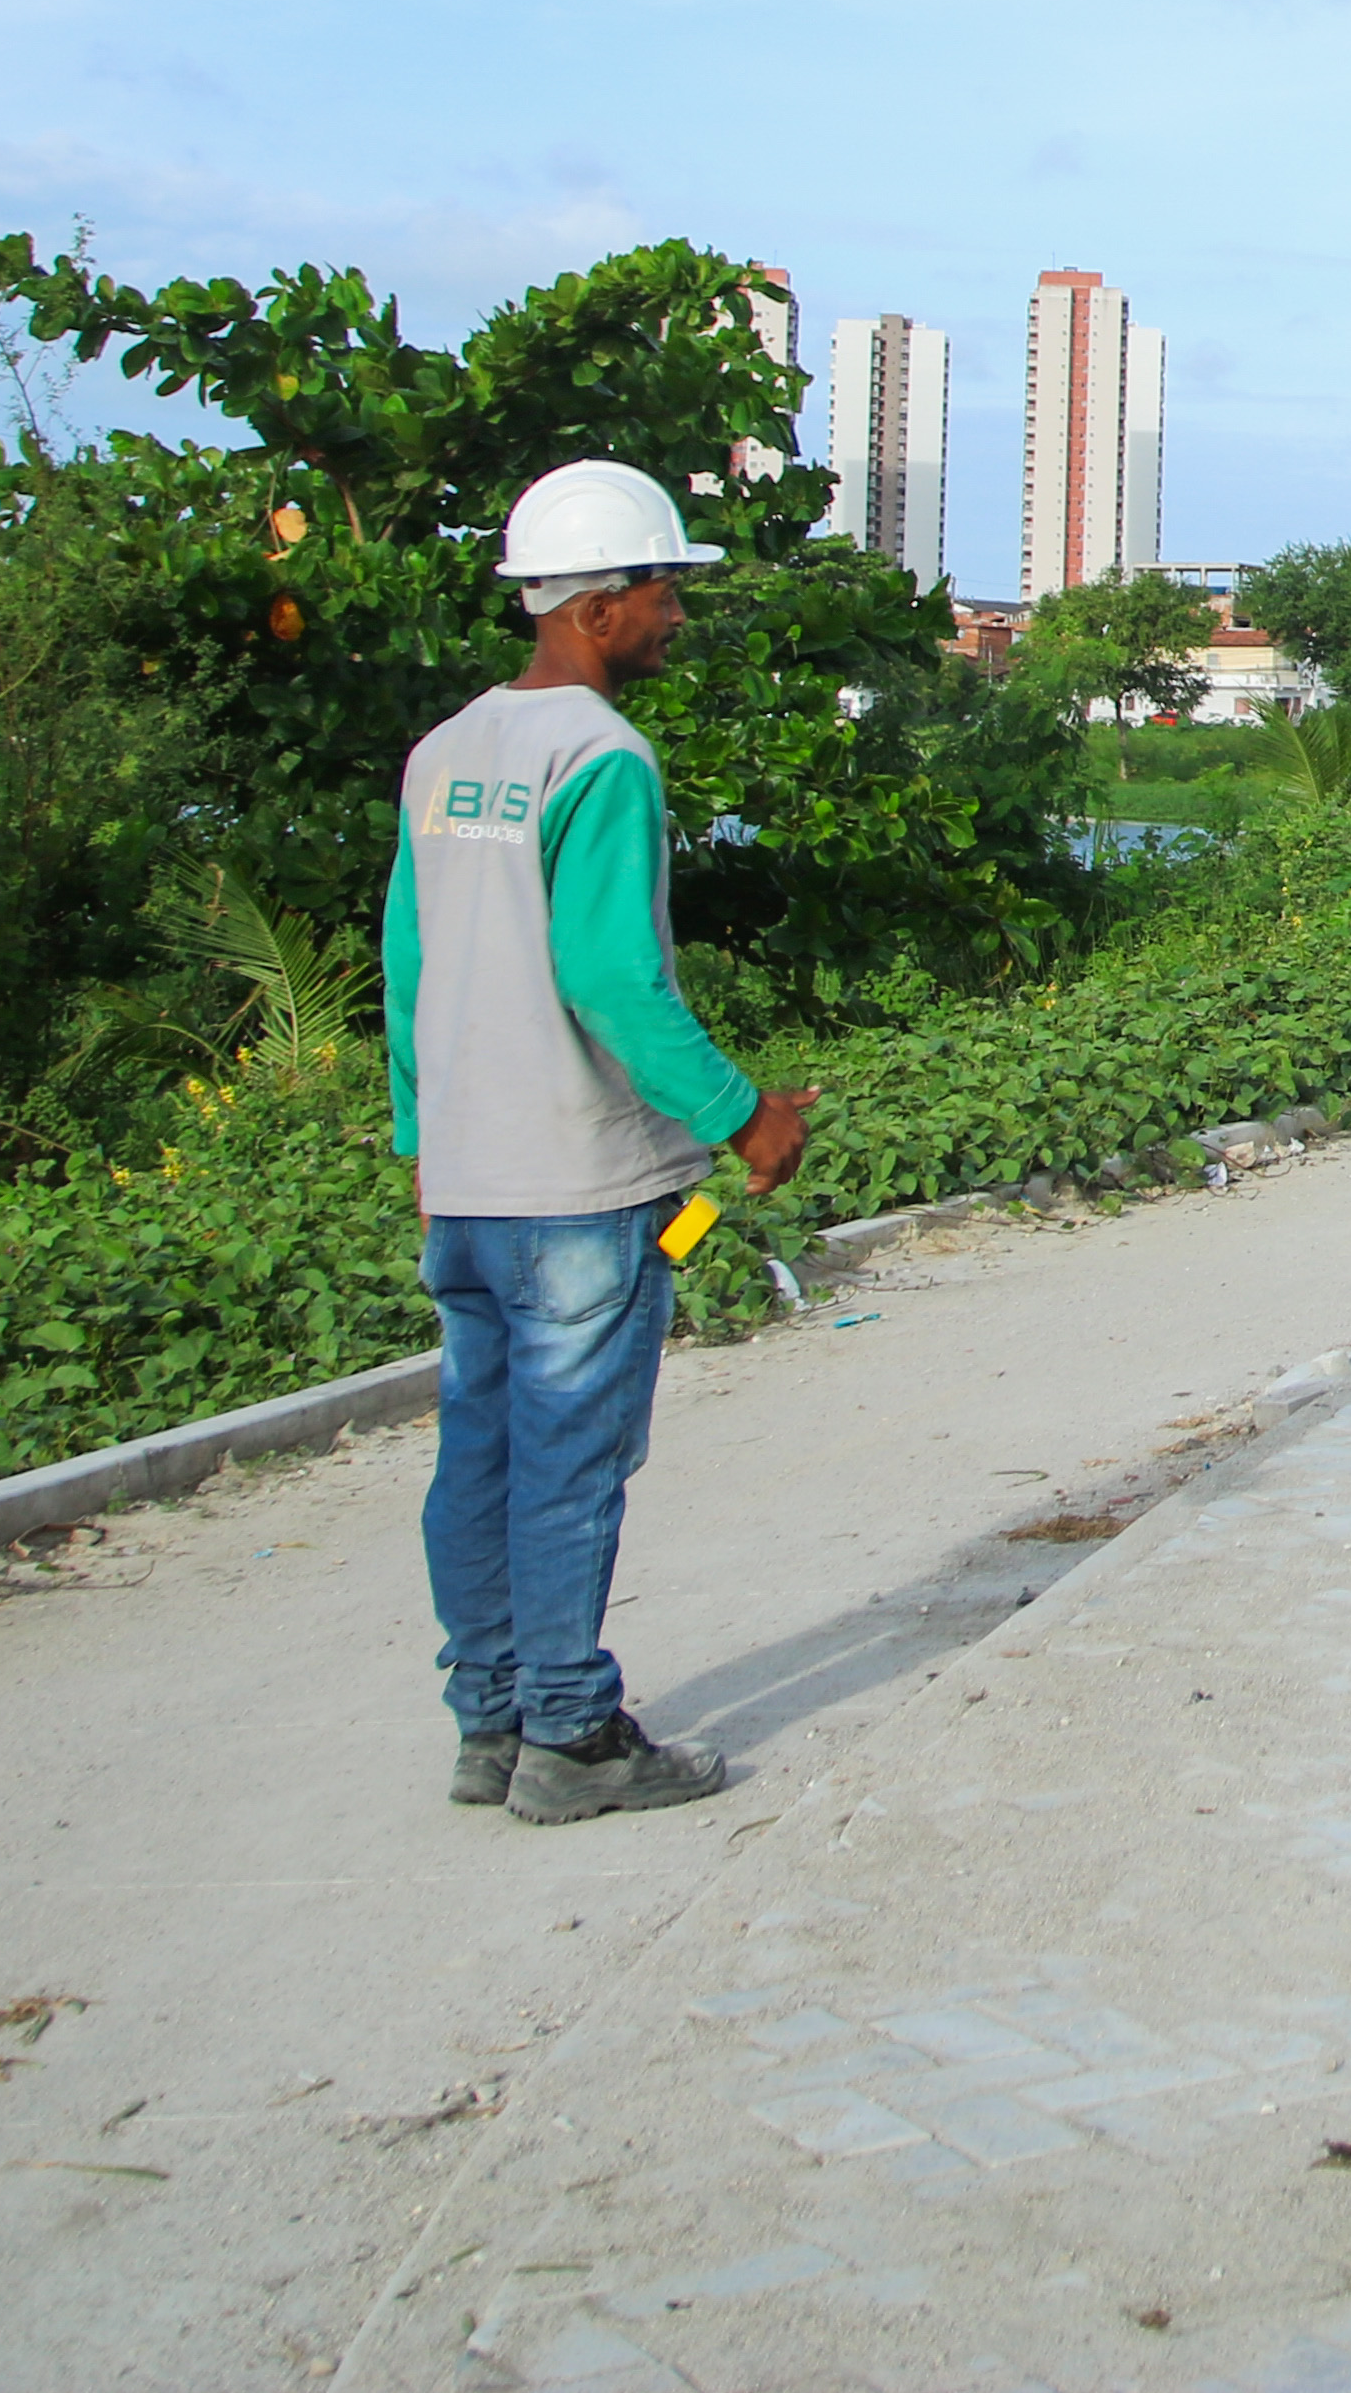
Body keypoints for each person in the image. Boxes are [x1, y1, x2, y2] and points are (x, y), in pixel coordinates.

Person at [388, 459, 818, 1825]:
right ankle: (571, 1740)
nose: (675, 614)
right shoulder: (604, 759)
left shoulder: (446, 754)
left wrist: (419, 1134)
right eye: (661, 588)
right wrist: (744, 1116)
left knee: (484, 1450)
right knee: (572, 1457)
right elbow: (612, 977)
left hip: (468, 1178)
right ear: (593, 608)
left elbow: (405, 963)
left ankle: (491, 1719)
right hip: (576, 1180)